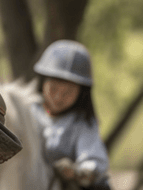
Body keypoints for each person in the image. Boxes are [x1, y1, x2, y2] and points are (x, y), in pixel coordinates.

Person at [32, 40, 111, 190]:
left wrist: (78, 172)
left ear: (81, 93)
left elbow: (92, 157)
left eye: (68, 92)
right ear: (43, 82)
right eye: (53, 89)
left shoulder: (82, 123)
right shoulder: (28, 110)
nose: (58, 97)